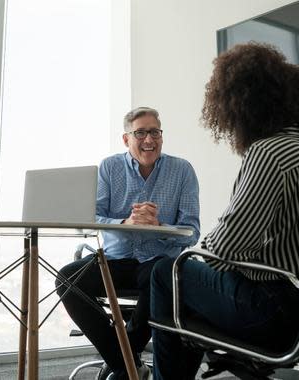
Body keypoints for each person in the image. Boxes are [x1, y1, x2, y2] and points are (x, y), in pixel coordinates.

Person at [150, 43, 299, 380]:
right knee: (187, 289)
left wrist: (201, 252)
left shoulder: (269, 152)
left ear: (241, 103)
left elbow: (226, 247)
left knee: (168, 272)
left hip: (274, 309)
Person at [56, 106, 200, 380]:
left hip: (158, 260)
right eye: (141, 133)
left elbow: (192, 231)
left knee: (160, 279)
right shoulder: (110, 167)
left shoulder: (182, 171)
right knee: (66, 280)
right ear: (126, 139)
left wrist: (159, 226)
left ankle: (124, 362)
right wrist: (125, 224)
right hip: (115, 259)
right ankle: (127, 362)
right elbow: (91, 216)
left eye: (155, 132)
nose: (149, 139)